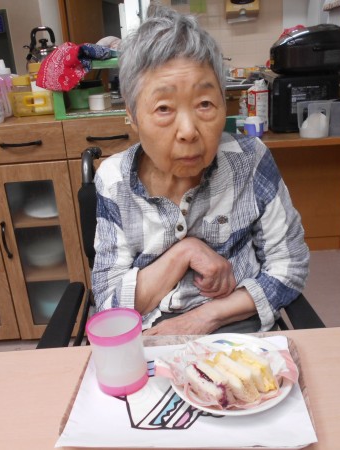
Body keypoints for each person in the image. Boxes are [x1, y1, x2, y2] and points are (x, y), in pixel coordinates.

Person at [91, 3, 309, 335]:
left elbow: (290, 266)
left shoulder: (250, 160)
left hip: (239, 327)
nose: (188, 131)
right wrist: (185, 252)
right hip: (150, 336)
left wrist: (206, 317)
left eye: (205, 104)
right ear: (132, 117)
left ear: (223, 102)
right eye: (164, 108)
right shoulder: (113, 179)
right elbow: (109, 304)